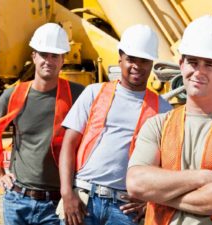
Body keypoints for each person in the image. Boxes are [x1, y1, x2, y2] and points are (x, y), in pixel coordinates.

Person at [126, 15, 212, 225]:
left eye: (209, 64)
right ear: (181, 65)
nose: (198, 72)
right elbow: (137, 184)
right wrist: (203, 177)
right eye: (192, 62)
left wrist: (159, 193)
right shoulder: (158, 125)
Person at [59, 24, 172, 225]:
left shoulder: (163, 109)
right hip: (83, 200)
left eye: (144, 60)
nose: (136, 66)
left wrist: (152, 201)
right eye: (131, 59)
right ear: (120, 58)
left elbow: (170, 164)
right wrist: (67, 193)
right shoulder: (94, 93)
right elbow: (68, 143)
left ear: (151, 63)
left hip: (125, 208)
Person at [0, 23, 84, 224]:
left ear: (63, 60)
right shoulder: (13, 95)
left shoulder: (78, 94)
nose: (48, 61)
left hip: (56, 203)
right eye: (44, 54)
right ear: (34, 57)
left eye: (54, 56)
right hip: (17, 201)